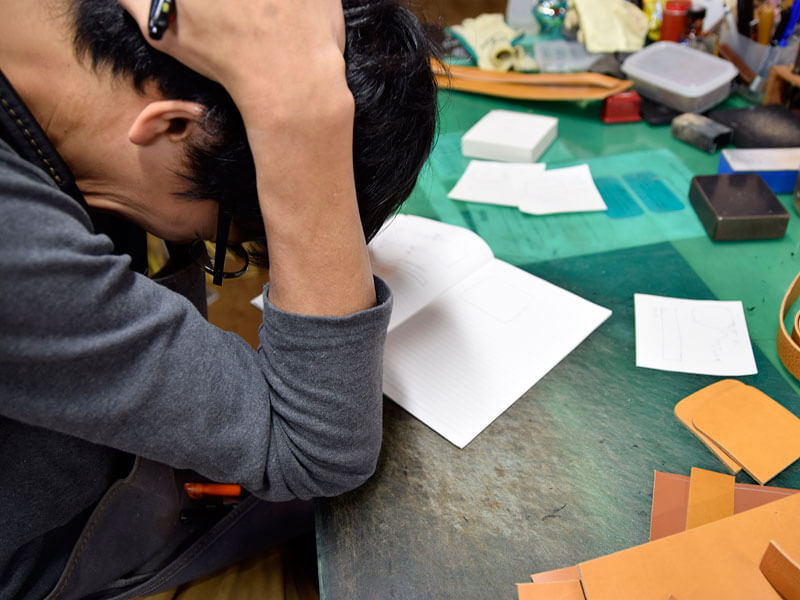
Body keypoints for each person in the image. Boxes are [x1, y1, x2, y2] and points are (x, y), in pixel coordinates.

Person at [0, 0, 438, 598]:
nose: (216, 245)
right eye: (231, 236)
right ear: (172, 127)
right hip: (51, 550)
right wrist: (301, 111)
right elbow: (317, 450)